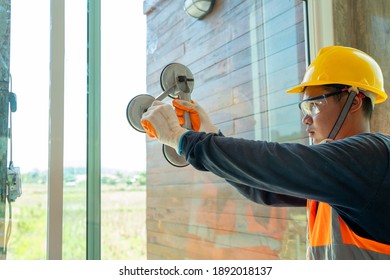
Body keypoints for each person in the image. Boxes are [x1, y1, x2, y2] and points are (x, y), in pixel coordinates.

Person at [140, 46, 390, 260]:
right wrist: (211, 135)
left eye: (314, 105)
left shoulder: (374, 157)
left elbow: (275, 162)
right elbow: (263, 189)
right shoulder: (337, 178)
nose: (305, 118)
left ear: (354, 101)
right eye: (305, 106)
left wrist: (181, 138)